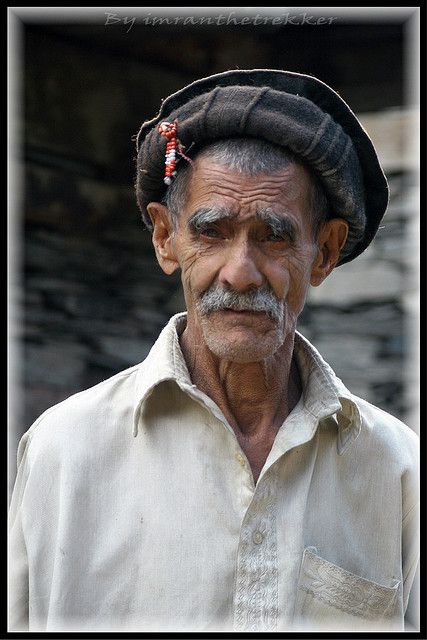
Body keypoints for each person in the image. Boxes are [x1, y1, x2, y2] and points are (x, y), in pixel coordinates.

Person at [9, 69, 419, 633]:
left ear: (323, 252)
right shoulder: (65, 450)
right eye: (211, 231)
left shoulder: (396, 468)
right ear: (165, 238)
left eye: (274, 236)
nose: (241, 272)